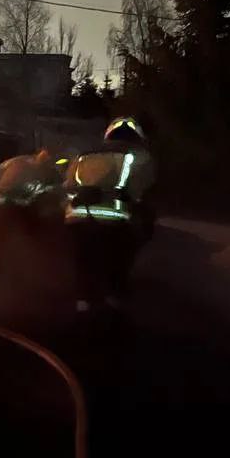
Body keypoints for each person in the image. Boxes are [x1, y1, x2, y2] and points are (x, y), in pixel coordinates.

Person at [63, 116, 157, 313]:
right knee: (121, 257)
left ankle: (82, 302)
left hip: (77, 218)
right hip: (115, 220)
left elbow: (69, 186)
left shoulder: (85, 155)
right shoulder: (138, 156)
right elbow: (143, 189)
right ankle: (115, 297)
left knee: (82, 260)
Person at [0, 148, 68, 278]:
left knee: (1, 236)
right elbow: (50, 190)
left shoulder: (16, 161)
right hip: (18, 204)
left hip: (1, 202)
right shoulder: (44, 171)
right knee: (29, 232)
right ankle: (25, 265)